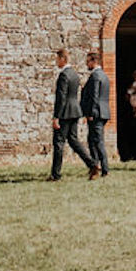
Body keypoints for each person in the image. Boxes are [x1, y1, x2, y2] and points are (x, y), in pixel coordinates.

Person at [50, 48, 96, 180]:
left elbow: (61, 97)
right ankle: (92, 164)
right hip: (75, 110)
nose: (56, 62)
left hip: (65, 112)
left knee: (59, 142)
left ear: (63, 59)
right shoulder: (75, 74)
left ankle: (55, 174)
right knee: (73, 140)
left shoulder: (64, 75)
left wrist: (56, 116)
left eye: (57, 59)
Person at [80, 50, 110, 179]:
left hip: (96, 112)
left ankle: (103, 168)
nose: (87, 64)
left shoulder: (95, 76)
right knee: (93, 140)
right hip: (103, 111)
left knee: (97, 141)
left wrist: (91, 112)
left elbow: (95, 96)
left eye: (88, 61)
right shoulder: (104, 75)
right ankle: (95, 166)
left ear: (94, 61)